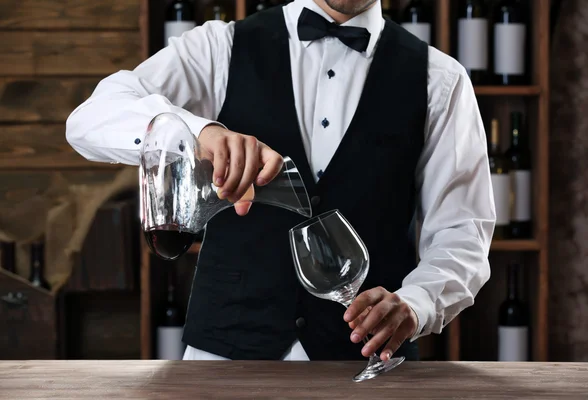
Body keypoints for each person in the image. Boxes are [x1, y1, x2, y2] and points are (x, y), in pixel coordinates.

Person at [66, 0, 495, 362]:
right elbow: (90, 119)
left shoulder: (440, 80)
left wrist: (417, 304)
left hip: (363, 363)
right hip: (224, 359)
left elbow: (463, 235)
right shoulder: (220, 46)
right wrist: (198, 132)